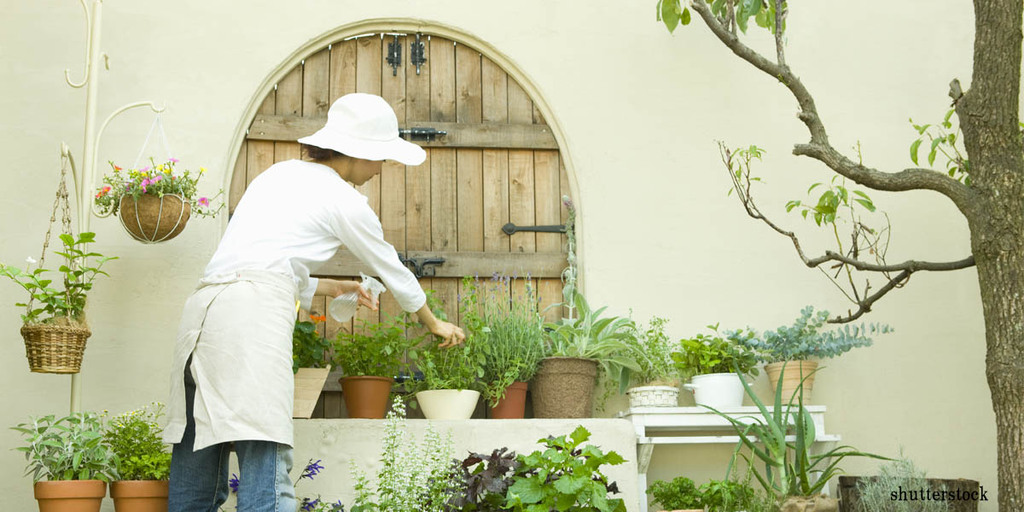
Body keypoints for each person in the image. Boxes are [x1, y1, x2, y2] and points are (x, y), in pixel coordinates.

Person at [164, 93, 466, 512]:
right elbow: (392, 268)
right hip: (250, 325)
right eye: (380, 158)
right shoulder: (346, 201)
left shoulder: (277, 174)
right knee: (265, 469)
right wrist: (433, 323)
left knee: (196, 470)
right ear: (359, 153)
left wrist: (330, 287)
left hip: (203, 317)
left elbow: (262, 262)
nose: (380, 169)